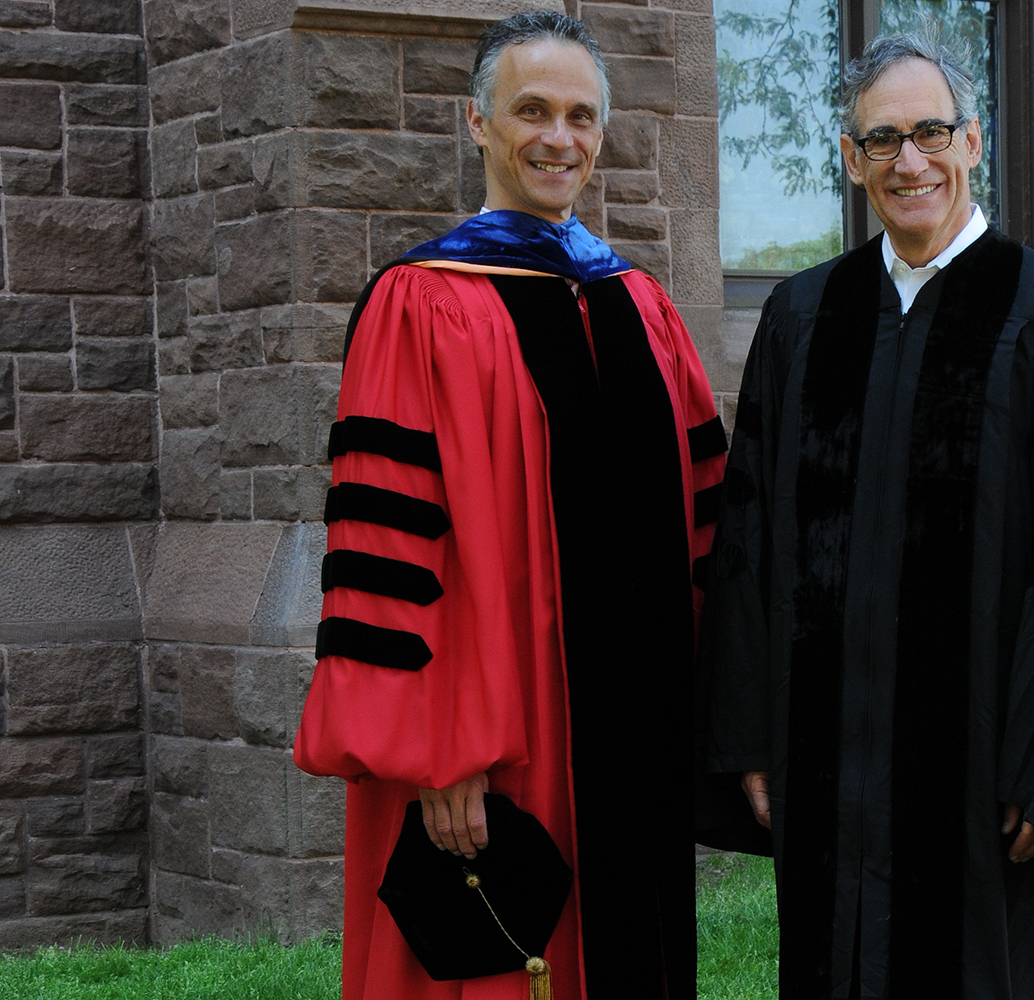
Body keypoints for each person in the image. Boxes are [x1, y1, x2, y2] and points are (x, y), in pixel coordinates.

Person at [698, 31, 1034, 1000]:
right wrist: (749, 735)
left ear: (974, 141)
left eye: (931, 132)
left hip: (988, 775)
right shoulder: (805, 319)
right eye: (884, 139)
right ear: (852, 159)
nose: (911, 160)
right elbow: (751, 542)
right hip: (827, 761)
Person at [294, 13, 724, 999]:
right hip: (496, 739)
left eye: (580, 115)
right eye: (532, 110)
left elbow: (707, 522)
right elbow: (387, 546)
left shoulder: (642, 308)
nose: (558, 138)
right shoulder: (420, 304)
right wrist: (444, 751)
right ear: (477, 123)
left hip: (640, 740)